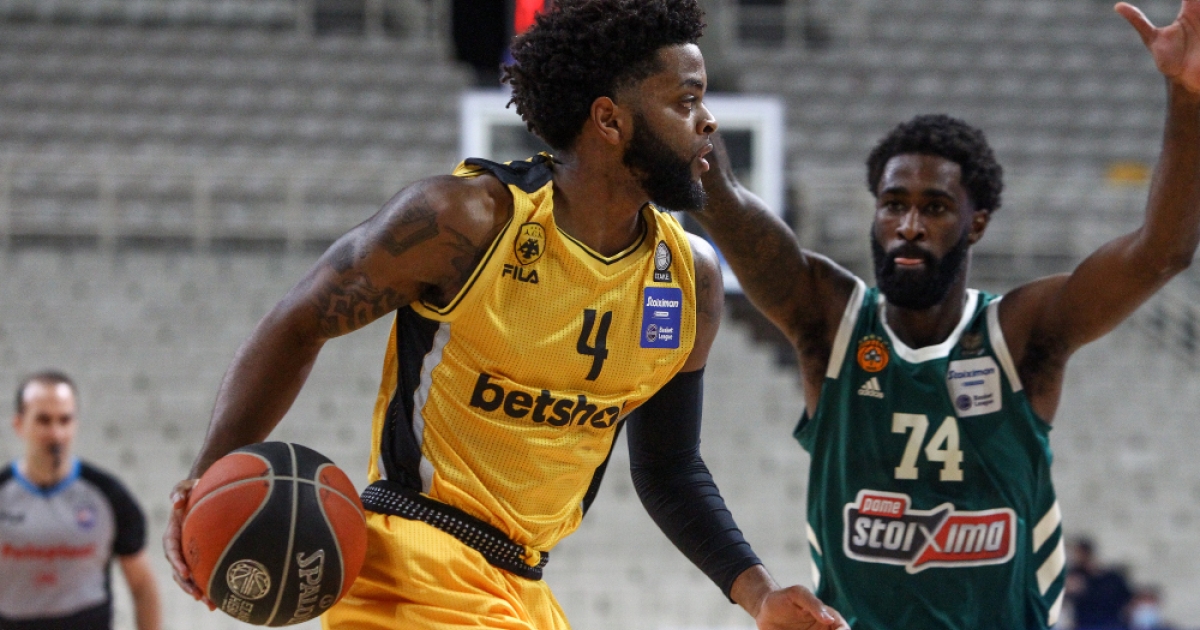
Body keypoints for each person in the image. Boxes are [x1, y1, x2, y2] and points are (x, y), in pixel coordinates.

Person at [162, 1, 848, 628]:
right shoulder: (465, 221)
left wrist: (760, 595)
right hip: (414, 566)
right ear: (609, 120)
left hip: (522, 588)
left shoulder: (689, 277)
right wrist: (204, 480)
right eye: (687, 100)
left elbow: (669, 470)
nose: (709, 121)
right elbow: (299, 321)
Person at [692, 2, 1200, 628]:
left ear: (975, 222)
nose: (909, 225)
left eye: (934, 207)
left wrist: (1187, 96)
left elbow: (1161, 253)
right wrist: (687, 101)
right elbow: (725, 203)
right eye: (893, 204)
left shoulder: (1020, 333)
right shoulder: (831, 321)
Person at [1, 371, 162, 630]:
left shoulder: (108, 496)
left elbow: (142, 586)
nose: (56, 433)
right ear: (19, 424)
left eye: (64, 420)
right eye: (43, 420)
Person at [1065, 537, 1134, 630]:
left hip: (1113, 623)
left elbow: (1128, 600)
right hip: (1085, 624)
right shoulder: (1074, 576)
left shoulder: (1113, 577)